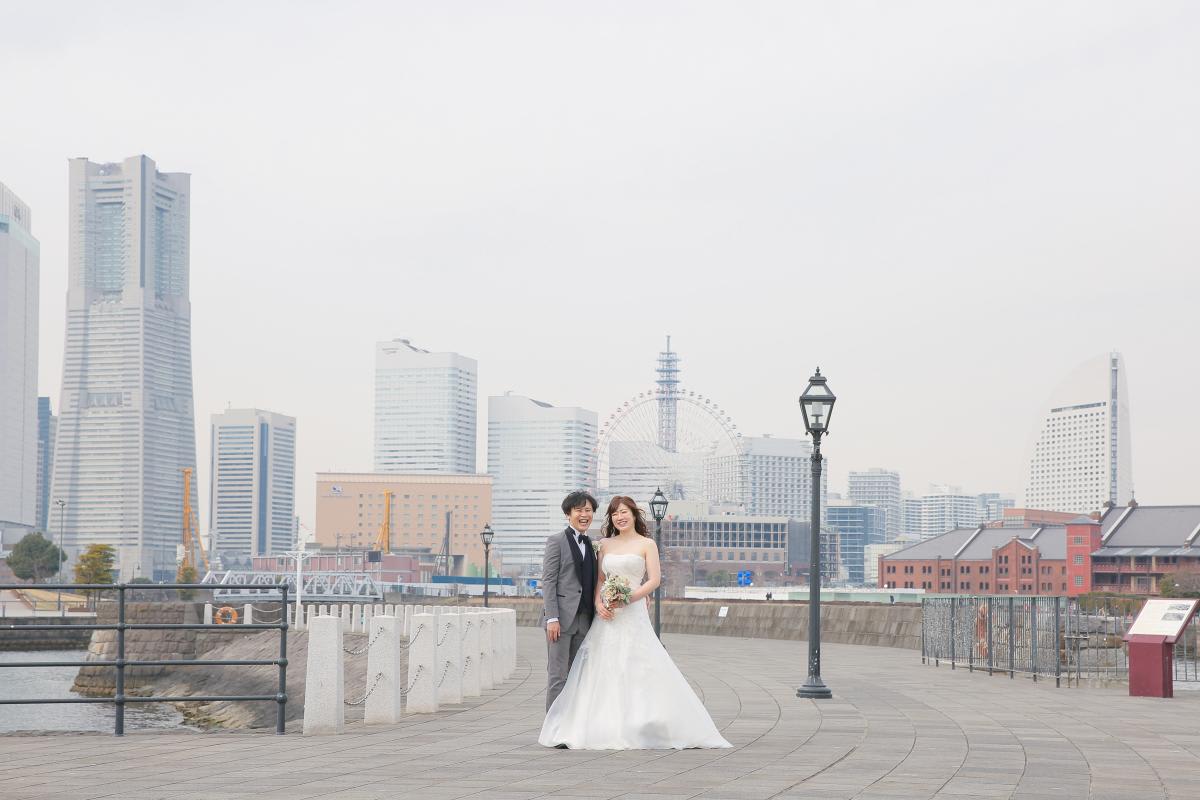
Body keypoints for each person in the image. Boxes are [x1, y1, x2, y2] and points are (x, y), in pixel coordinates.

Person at [539, 496, 732, 750]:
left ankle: (641, 724)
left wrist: (630, 597)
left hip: (632, 611)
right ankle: (562, 727)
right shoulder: (602, 544)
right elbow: (598, 579)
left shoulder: (647, 544)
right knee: (587, 671)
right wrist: (598, 603)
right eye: (615, 514)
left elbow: (654, 580)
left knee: (639, 666)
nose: (620, 517)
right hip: (604, 615)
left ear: (633, 514)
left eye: (624, 512)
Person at [541, 490, 599, 711]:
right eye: (578, 510)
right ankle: (553, 725)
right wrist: (552, 618)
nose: (584, 515)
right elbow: (548, 581)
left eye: (588, 510)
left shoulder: (592, 544)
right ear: (568, 514)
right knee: (558, 676)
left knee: (577, 677)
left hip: (585, 621)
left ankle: (570, 724)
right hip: (560, 621)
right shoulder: (556, 541)